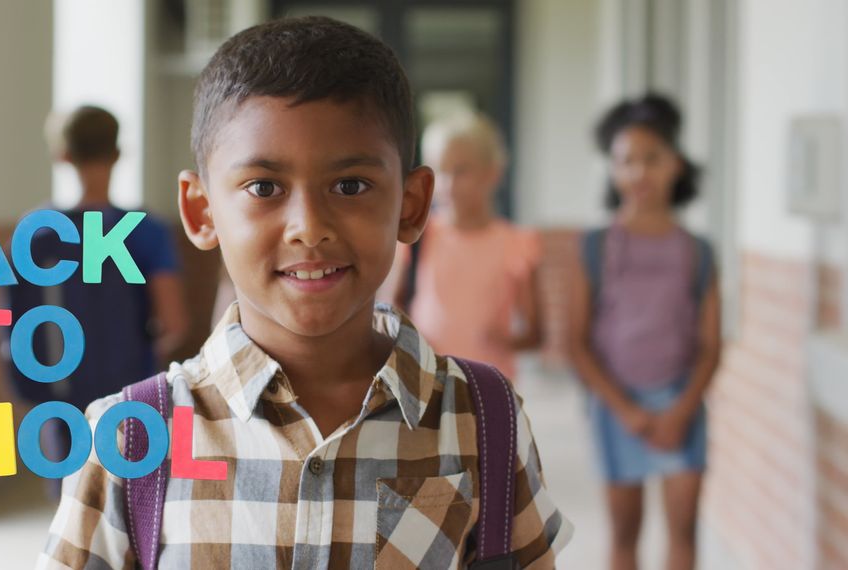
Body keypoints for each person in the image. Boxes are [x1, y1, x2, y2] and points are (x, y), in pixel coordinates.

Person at [39, 17, 570, 569]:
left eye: (350, 186)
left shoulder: (482, 420)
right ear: (201, 210)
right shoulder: (127, 439)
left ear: (411, 205)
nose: (308, 227)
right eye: (264, 188)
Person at [568, 94, 721, 570]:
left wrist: (682, 410)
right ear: (612, 170)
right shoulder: (594, 248)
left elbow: (711, 345)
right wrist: (628, 411)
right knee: (624, 535)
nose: (639, 172)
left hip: (682, 405)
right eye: (626, 160)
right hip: (617, 409)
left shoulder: (698, 251)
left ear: (675, 164)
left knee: (682, 533)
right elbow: (576, 342)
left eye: (651, 158)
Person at [5, 105, 188, 496]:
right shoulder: (144, 231)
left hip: (60, 398)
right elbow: (174, 323)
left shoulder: (35, 232)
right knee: (130, 506)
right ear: (118, 153)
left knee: (71, 508)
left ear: (62, 156)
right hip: (129, 397)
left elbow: (15, 326)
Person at [383, 111, 542, 381]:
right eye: (440, 171)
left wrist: (504, 340)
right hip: (426, 380)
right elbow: (389, 309)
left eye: (461, 171)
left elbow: (535, 333)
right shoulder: (415, 235)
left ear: (493, 173)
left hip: (488, 385)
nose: (449, 184)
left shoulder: (517, 243)